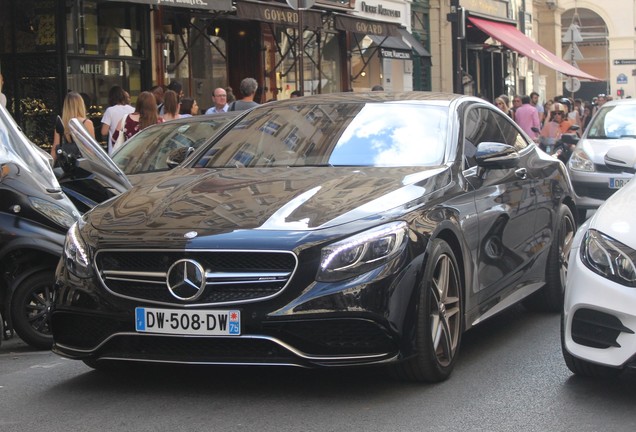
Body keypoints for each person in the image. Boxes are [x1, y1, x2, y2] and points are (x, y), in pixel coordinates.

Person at [51, 91, 95, 163]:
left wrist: (49, 166)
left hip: (66, 166)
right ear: (81, 105)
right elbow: (91, 148)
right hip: (82, 165)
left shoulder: (62, 123)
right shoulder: (86, 123)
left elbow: (55, 147)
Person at [101, 85, 134, 154]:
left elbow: (104, 132)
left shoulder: (110, 110)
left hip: (115, 149)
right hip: (131, 148)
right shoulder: (132, 110)